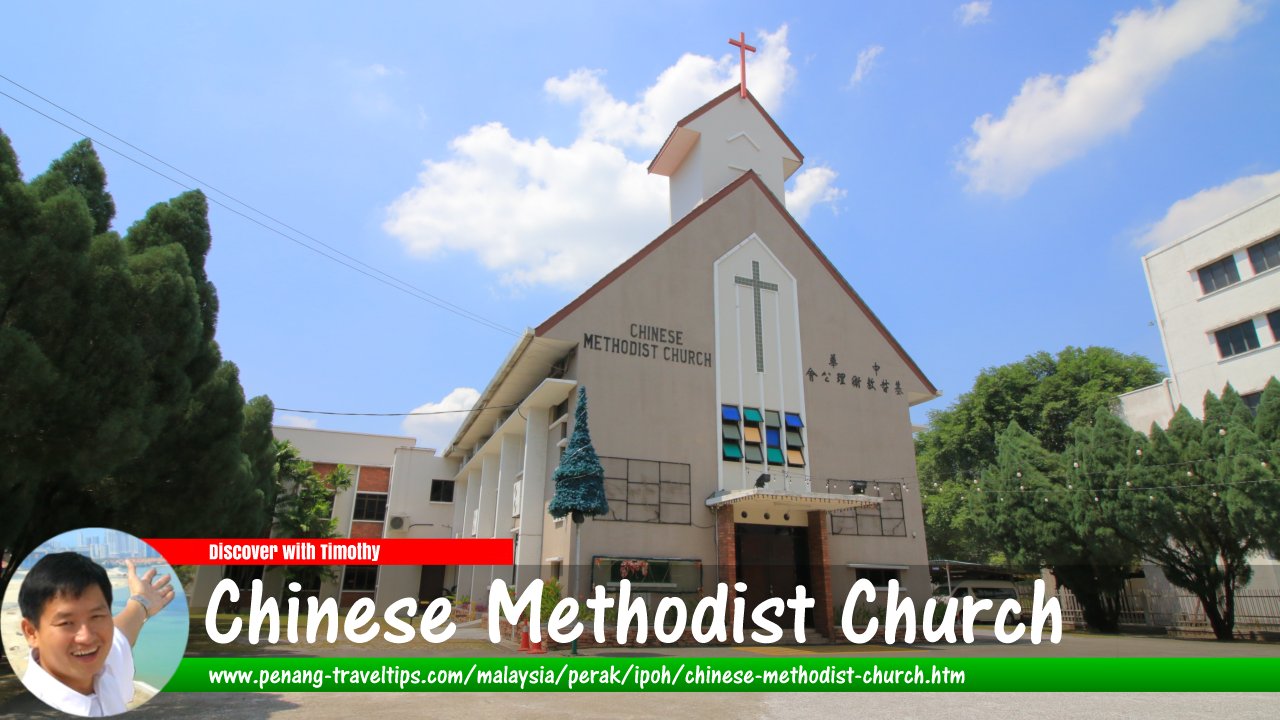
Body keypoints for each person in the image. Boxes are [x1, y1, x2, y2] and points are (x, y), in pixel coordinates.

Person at [18, 553, 176, 717]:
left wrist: (142, 601)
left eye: (96, 616)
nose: (86, 637)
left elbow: (121, 634)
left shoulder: (104, 665)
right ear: (31, 632)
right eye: (66, 623)